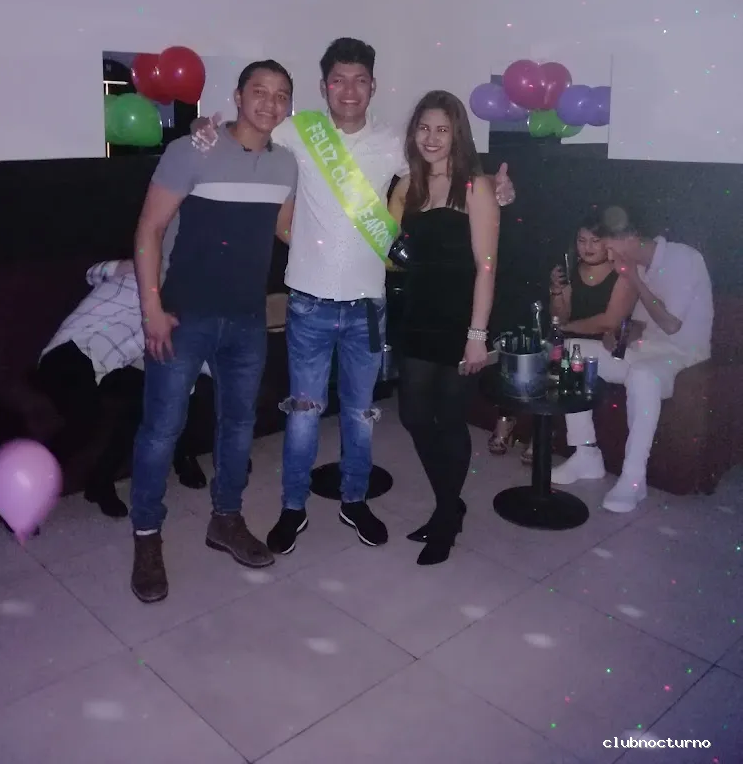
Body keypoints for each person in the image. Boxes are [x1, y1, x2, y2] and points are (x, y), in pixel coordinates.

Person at [193, 38, 514, 556]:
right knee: (303, 414)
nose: (348, 90)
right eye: (338, 80)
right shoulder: (300, 131)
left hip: (368, 306)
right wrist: (201, 128)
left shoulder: (394, 144)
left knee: (361, 415)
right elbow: (246, 131)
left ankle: (355, 500)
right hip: (308, 304)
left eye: (359, 80)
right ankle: (293, 507)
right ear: (324, 87)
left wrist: (499, 190)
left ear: (373, 86)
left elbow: (445, 169)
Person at [129, 60, 297, 603]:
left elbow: (287, 229)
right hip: (184, 315)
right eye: (259, 91)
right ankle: (147, 535)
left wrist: (360, 235)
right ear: (239, 96)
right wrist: (151, 309)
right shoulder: (192, 150)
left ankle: (226, 518)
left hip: (247, 318)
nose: (269, 103)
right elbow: (150, 228)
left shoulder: (286, 164)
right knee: (161, 430)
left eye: (281, 95)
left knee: (239, 426)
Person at [388, 91, 499, 565]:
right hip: (417, 314)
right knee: (414, 416)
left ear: (457, 135)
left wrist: (477, 336)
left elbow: (487, 268)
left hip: (459, 321)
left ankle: (445, 515)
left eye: (442, 129)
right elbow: (392, 246)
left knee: (450, 422)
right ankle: (451, 505)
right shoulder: (409, 185)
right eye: (424, 128)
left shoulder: (475, 187)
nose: (431, 138)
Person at [551, 207, 713, 512]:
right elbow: (640, 324)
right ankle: (586, 454)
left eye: (610, 247)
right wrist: (620, 335)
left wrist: (634, 279)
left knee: (642, 375)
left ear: (630, 238)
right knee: (573, 351)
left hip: (683, 358)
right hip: (645, 351)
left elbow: (670, 324)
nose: (609, 256)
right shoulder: (640, 266)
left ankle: (633, 479)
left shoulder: (684, 259)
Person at [36, 260, 209, 519]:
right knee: (85, 418)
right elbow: (93, 272)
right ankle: (29, 484)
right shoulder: (140, 282)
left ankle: (100, 481)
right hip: (70, 352)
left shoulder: (173, 321)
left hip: (108, 368)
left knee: (149, 400)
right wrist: (129, 266)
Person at [489, 210, 637, 463]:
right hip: (567, 340)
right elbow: (559, 315)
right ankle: (508, 418)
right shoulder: (571, 270)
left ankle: (543, 433)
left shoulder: (623, 274)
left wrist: (566, 327)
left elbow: (609, 321)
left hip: (602, 348)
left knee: (555, 358)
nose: (587, 247)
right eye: (582, 240)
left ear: (609, 243)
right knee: (525, 353)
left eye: (595, 241)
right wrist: (556, 291)